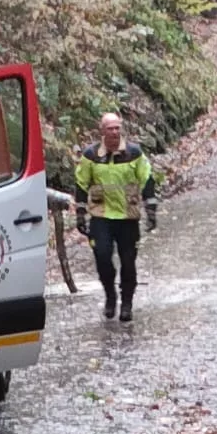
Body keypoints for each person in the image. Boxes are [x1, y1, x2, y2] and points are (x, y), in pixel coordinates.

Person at [74, 112, 158, 323]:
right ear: (102, 131)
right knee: (102, 257)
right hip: (101, 215)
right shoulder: (91, 155)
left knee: (128, 262)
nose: (114, 132)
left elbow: (147, 179)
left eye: (117, 128)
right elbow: (81, 183)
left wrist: (151, 209)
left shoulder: (134, 153)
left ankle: (127, 303)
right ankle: (110, 295)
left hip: (127, 216)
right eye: (110, 128)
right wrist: (80, 213)